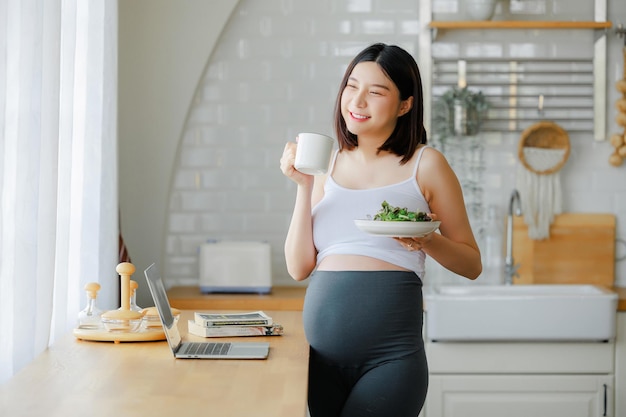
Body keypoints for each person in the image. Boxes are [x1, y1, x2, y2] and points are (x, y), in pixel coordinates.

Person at [279, 43, 482, 417]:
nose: (357, 101)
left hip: (390, 361)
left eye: (375, 92)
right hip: (321, 362)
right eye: (351, 86)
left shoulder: (426, 164)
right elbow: (298, 268)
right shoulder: (328, 166)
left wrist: (428, 241)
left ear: (405, 104)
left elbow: (472, 263)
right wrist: (303, 185)